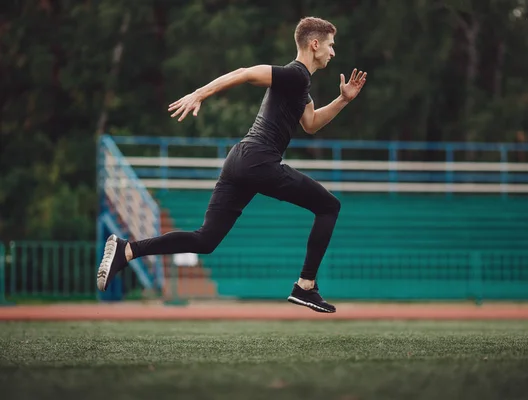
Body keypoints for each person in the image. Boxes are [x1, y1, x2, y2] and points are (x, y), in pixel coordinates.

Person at [97, 16, 367, 313]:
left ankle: (128, 249)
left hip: (239, 161)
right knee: (329, 206)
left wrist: (343, 100)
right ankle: (305, 286)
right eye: (330, 45)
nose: (333, 52)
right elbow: (245, 73)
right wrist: (200, 93)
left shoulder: (300, 85)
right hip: (259, 161)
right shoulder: (296, 75)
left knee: (205, 240)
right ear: (314, 45)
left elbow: (311, 124)